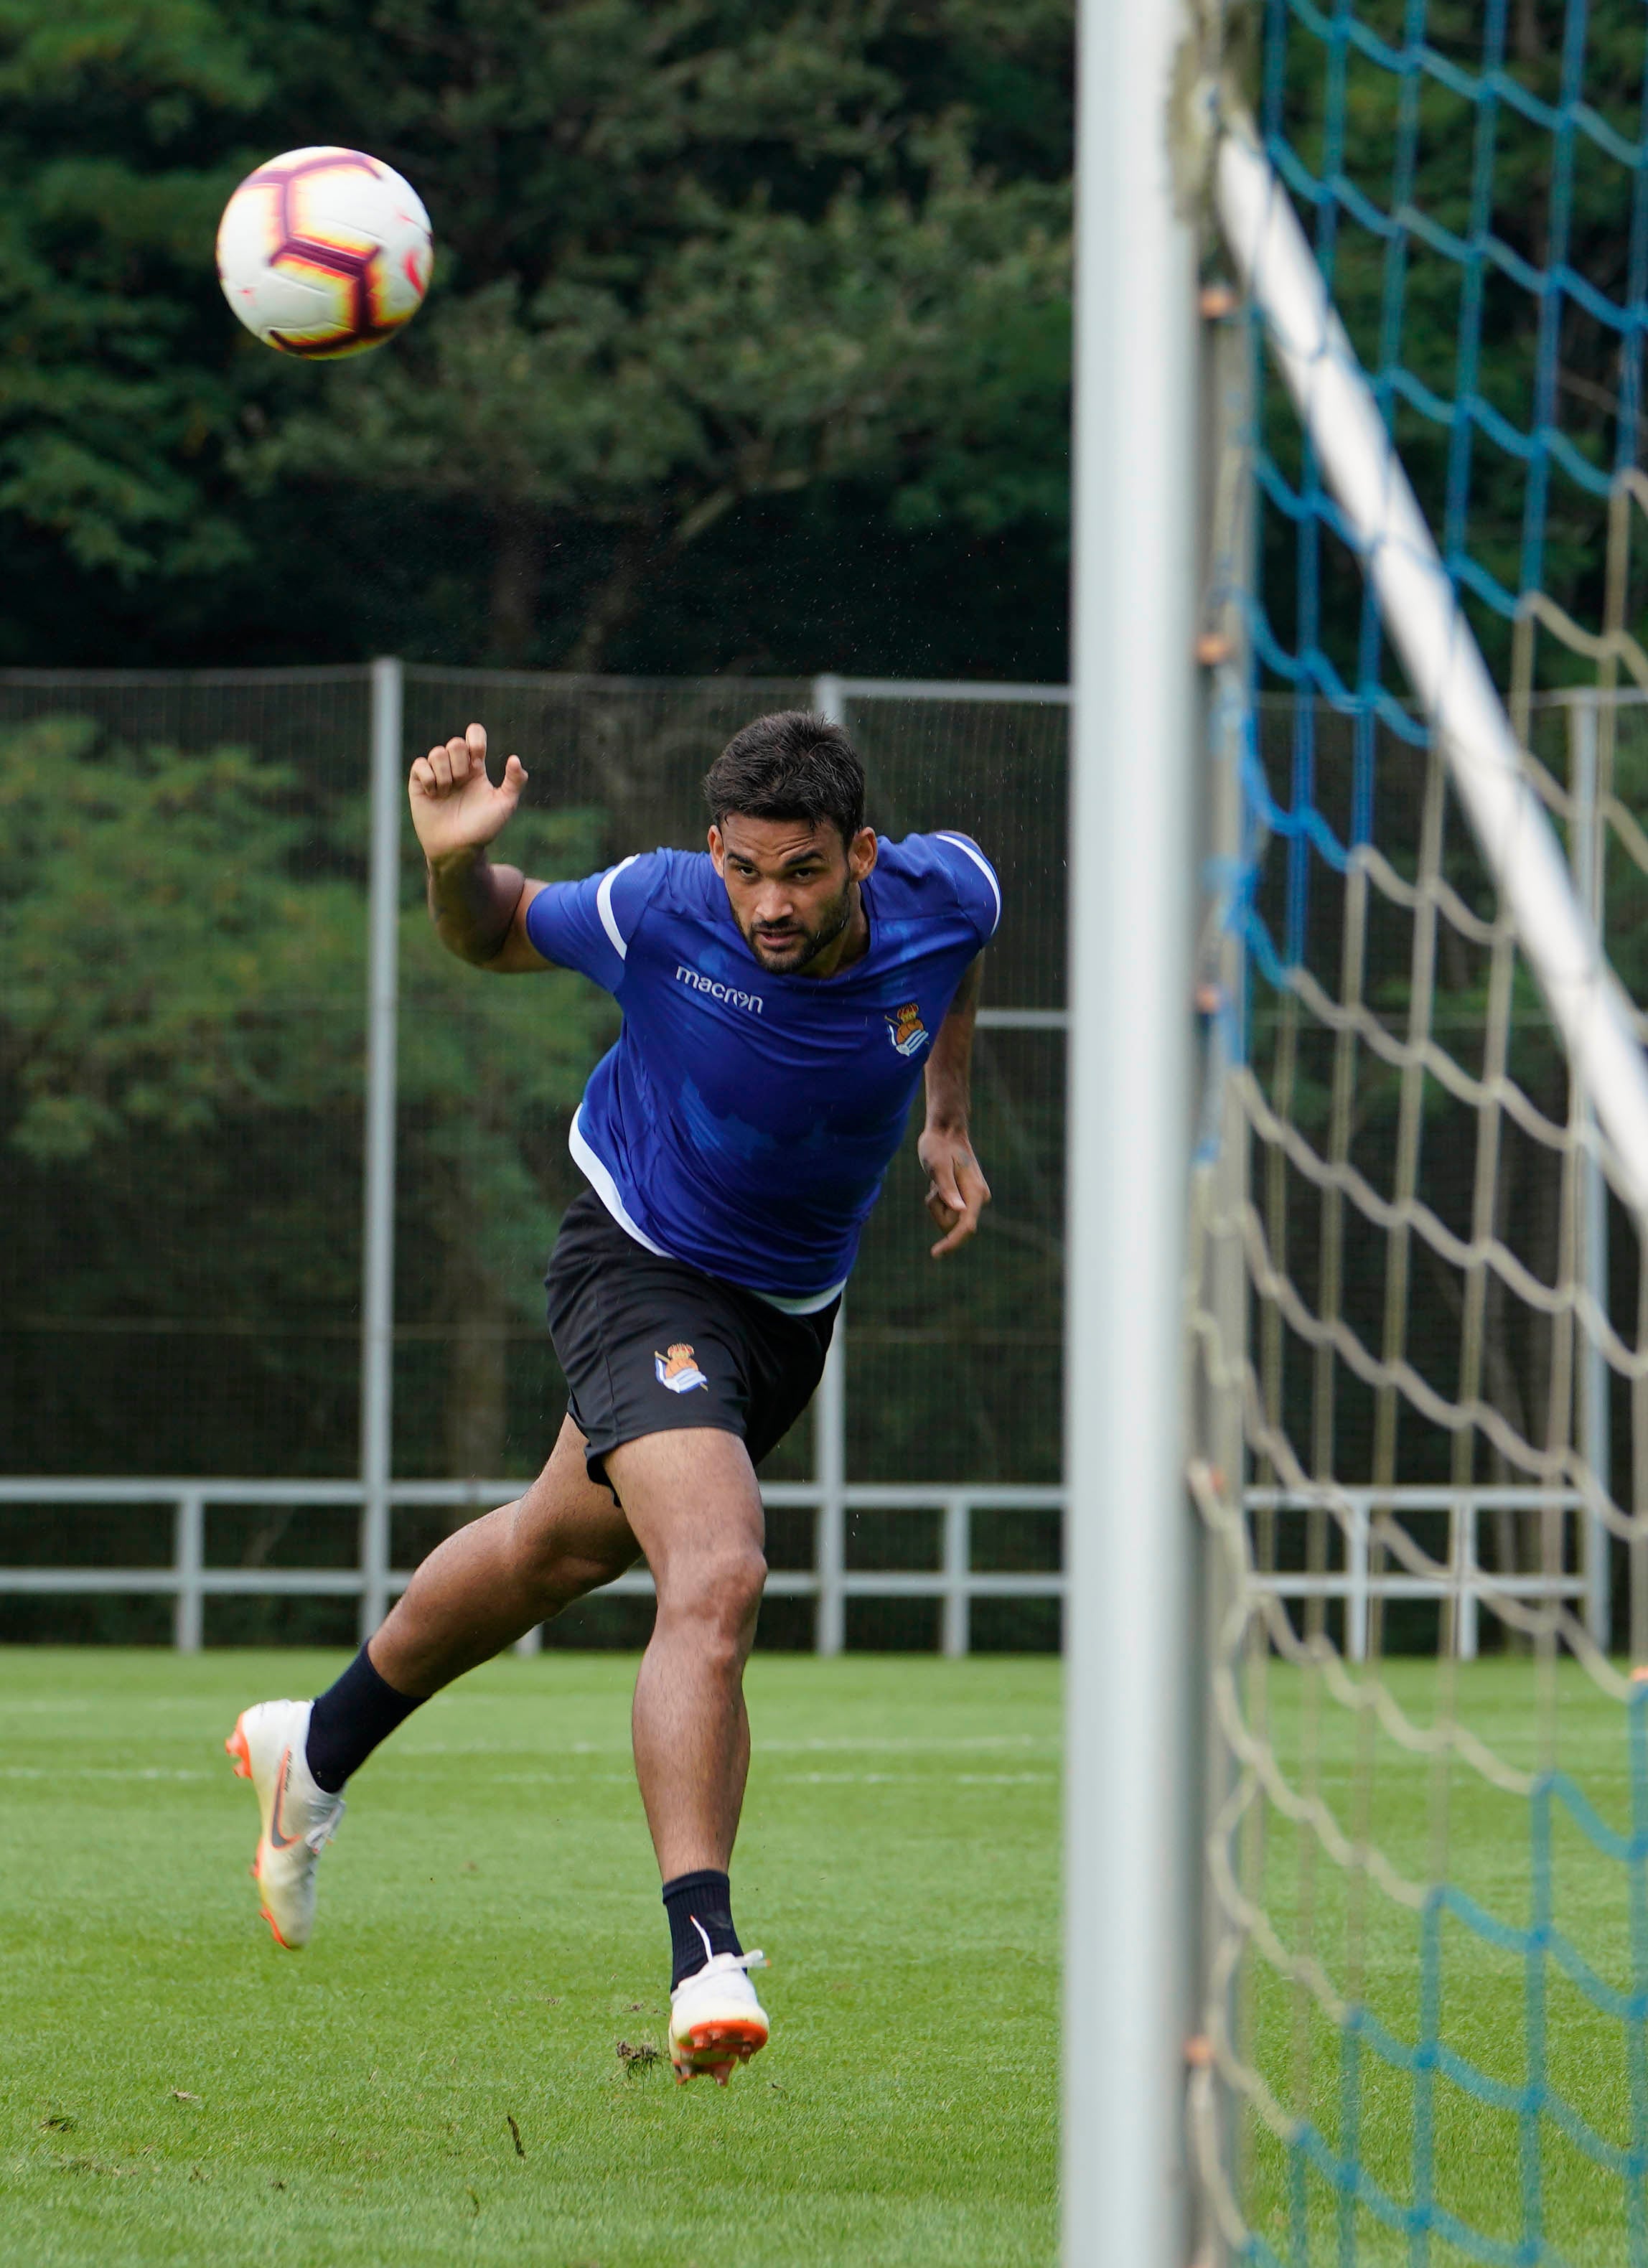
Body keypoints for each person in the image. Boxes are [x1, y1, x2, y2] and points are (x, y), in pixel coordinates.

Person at [226, 708, 998, 2084]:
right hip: (637, 1262)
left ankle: (315, 1747)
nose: (770, 904)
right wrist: (453, 861)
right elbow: (488, 933)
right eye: (747, 869)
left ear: (864, 857)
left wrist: (946, 1116)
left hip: (788, 1314)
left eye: (803, 873)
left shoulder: (950, 892)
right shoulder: (658, 908)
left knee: (554, 1550)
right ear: (714, 851)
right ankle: (706, 1953)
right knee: (719, 1568)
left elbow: (960, 964)